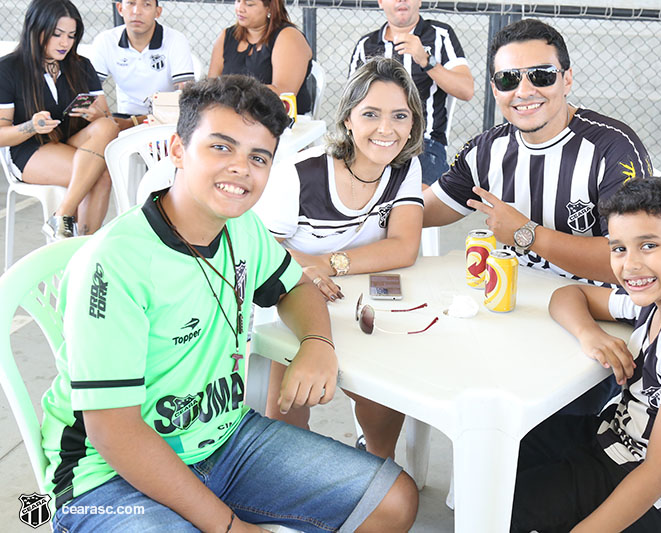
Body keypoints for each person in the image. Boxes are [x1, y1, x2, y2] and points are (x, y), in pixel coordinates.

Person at [41, 75, 418, 533]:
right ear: (178, 151)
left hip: (223, 439)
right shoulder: (112, 264)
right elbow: (113, 430)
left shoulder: (243, 230)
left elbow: (295, 287)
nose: (241, 168)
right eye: (221, 147)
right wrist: (228, 526)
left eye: (258, 157)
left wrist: (317, 343)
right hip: (106, 478)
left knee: (393, 502)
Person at [423, 18, 654, 413]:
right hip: (513, 309)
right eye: (509, 79)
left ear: (566, 79)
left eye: (542, 75)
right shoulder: (485, 150)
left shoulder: (611, 147)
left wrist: (527, 234)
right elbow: (422, 211)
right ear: (495, 89)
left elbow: (633, 264)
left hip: (597, 320)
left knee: (547, 439)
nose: (524, 91)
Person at [511, 177, 661, 533]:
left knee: (509, 508)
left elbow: (659, 471)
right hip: (618, 442)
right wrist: (590, 334)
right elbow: (567, 296)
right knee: (509, 446)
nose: (630, 264)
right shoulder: (658, 298)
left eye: (649, 245)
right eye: (618, 248)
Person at [254, 57, 425, 459]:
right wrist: (303, 274)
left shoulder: (404, 167)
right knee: (291, 399)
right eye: (371, 114)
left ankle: (377, 462)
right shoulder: (299, 173)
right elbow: (260, 248)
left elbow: (403, 246)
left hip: (355, 299)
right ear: (348, 119)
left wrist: (327, 264)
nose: (387, 130)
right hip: (288, 297)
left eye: (400, 116)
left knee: (385, 389)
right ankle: (291, 473)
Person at [0, 0, 118, 239]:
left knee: (106, 125)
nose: (65, 43)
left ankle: (63, 219)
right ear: (35, 29)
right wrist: (31, 126)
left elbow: (109, 121)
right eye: (57, 35)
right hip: (29, 149)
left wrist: (97, 114)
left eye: (72, 36)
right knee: (100, 175)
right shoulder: (9, 69)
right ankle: (82, 247)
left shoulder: (81, 65)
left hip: (72, 141)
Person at [349, 0, 474, 186]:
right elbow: (352, 103)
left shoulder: (440, 35)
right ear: (381, 2)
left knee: (415, 202)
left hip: (424, 143)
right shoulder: (366, 45)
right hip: (375, 139)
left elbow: (466, 90)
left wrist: (426, 60)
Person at [90, 0, 195, 129]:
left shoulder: (176, 40)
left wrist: (140, 121)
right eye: (131, 3)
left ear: (158, 12)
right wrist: (106, 118)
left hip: (166, 120)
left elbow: (186, 94)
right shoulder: (105, 41)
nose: (137, 12)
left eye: (146, 4)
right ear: (120, 8)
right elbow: (91, 91)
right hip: (124, 116)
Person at [208, 0, 313, 115]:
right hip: (233, 117)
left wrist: (230, 91)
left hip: (278, 120)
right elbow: (211, 85)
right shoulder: (226, 36)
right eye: (237, 1)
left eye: (249, 4)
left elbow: (283, 95)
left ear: (269, 8)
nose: (240, 8)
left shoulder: (289, 37)